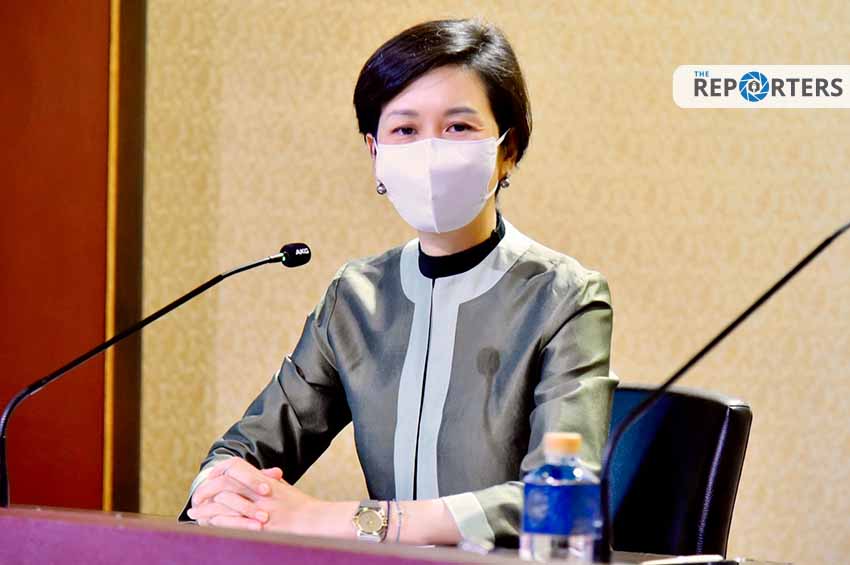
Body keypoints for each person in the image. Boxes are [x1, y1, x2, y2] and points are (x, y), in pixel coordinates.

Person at [181, 18, 616, 548]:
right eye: (405, 131)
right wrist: (219, 491)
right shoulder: (356, 298)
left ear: (508, 149)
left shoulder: (564, 296)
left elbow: (560, 501)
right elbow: (246, 449)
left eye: (458, 127)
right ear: (375, 154)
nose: (430, 151)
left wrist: (348, 521)